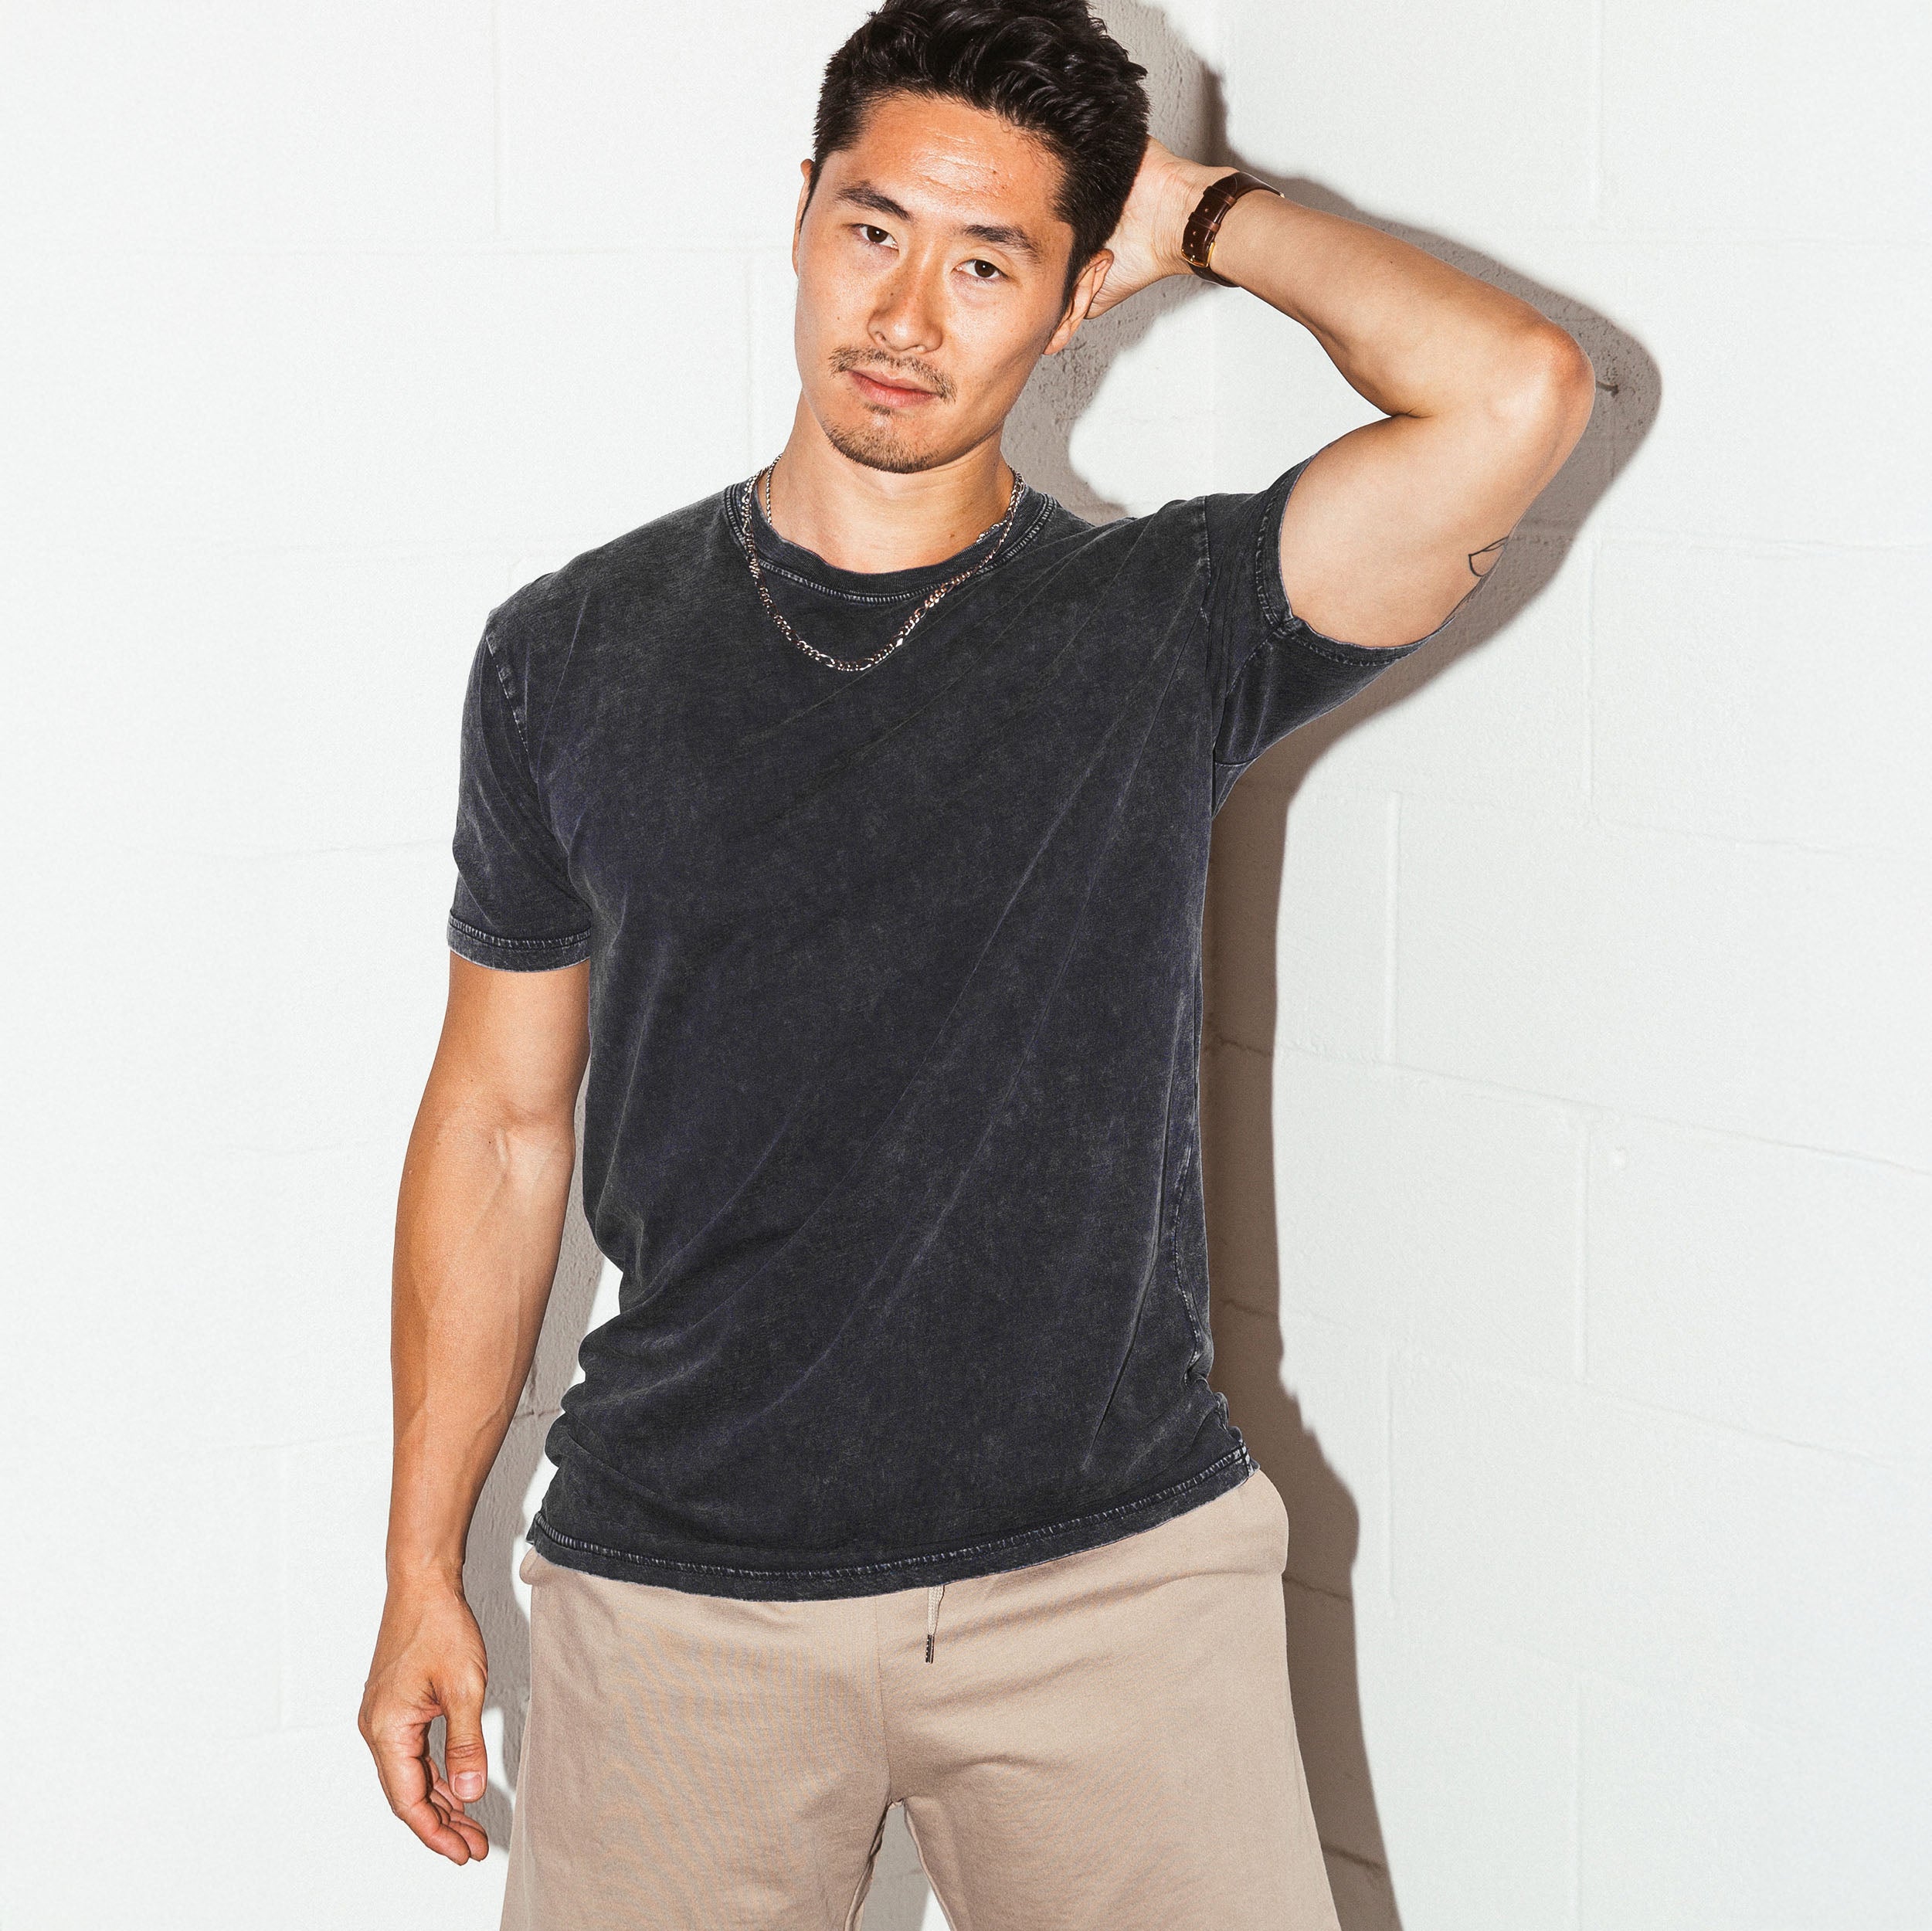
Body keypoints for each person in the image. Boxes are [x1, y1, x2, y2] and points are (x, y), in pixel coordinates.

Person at [358, 2, 1595, 1923]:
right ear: (800, 217)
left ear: (1076, 291)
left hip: (1107, 1587)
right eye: (874, 229)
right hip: (683, 1597)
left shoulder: (1164, 622)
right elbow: (503, 1120)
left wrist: (1203, 215)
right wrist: (420, 1558)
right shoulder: (568, 652)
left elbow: (1515, 389)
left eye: (989, 257)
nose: (908, 313)